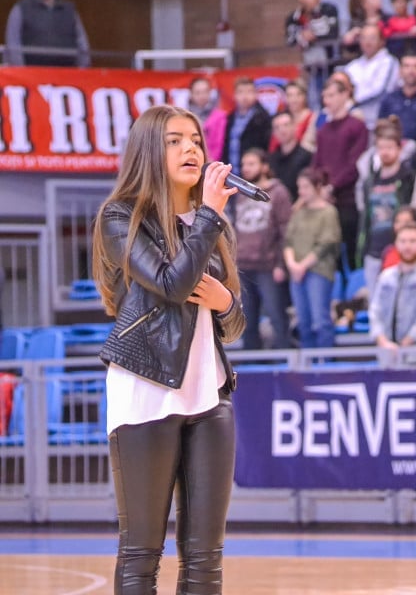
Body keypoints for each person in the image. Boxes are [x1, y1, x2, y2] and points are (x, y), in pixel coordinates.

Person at [91, 105, 244, 593]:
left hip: (209, 396)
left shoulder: (209, 225)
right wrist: (212, 216)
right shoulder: (122, 216)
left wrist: (225, 302)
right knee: (141, 555)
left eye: (196, 140)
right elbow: (171, 285)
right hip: (146, 391)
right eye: (176, 140)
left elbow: (232, 323)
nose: (191, 149)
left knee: (206, 559)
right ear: (149, 151)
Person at [234, 149, 293, 351]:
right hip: (243, 264)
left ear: (265, 166)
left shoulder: (278, 193)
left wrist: (280, 264)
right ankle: (253, 368)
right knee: (247, 320)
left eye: (251, 164)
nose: (246, 168)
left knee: (277, 316)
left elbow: (286, 231)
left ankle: (284, 363)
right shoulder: (241, 193)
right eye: (244, 164)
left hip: (268, 265)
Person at [312, 76, 369, 270]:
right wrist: (320, 188)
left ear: (345, 95)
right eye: (325, 96)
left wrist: (333, 186)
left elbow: (355, 164)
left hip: (348, 199)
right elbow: (317, 163)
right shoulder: (323, 130)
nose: (328, 100)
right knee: (329, 252)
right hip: (326, 199)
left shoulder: (356, 126)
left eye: (332, 95)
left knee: (351, 248)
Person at [284, 168, 341, 349]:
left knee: (320, 320)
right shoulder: (298, 212)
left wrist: (303, 266)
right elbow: (288, 241)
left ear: (318, 187)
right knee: (303, 321)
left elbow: (327, 243)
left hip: (319, 270)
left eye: (306, 187)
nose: (302, 192)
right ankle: (308, 364)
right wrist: (292, 264)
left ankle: (325, 364)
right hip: (296, 271)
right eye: (300, 187)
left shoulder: (329, 212)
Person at [359, 118, 415, 290]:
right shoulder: (369, 181)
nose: (385, 152)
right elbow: (365, 216)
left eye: (389, 148)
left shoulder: (408, 178)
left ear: (399, 149)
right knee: (375, 305)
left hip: (399, 248)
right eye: (381, 148)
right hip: (373, 250)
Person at [369, 223, 416, 352]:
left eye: (413, 241)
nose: (407, 246)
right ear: (395, 244)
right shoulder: (386, 276)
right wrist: (382, 340)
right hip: (387, 353)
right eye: (402, 241)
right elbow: (375, 310)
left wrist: (408, 341)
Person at [4, 0, 90, 67]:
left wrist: (83, 69)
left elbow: (81, 41)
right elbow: (13, 42)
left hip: (67, 72)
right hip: (32, 72)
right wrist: (20, 71)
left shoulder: (70, 9)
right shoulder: (21, 8)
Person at [284, 0, 340, 88]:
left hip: (329, 64)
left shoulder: (329, 10)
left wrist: (314, 36)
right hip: (306, 66)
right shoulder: (293, 18)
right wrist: (301, 37)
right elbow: (289, 40)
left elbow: (334, 34)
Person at [344, 25, 400, 132]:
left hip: (378, 120)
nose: (367, 42)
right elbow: (342, 88)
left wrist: (354, 101)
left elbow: (382, 91)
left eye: (372, 38)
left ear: (382, 41)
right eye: (364, 38)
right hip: (353, 119)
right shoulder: (352, 66)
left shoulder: (389, 61)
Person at [378, 53, 416, 144]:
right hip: (392, 148)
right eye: (407, 66)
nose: (411, 71)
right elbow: (380, 127)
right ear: (400, 71)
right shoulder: (389, 99)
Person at [221, 77, 272, 173]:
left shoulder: (263, 118)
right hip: (231, 171)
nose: (245, 96)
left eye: (249, 92)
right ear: (234, 95)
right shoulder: (229, 118)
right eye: (241, 92)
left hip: (254, 173)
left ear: (256, 94)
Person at [268, 111, 313, 202]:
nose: (282, 130)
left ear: (295, 126)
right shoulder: (271, 159)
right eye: (277, 127)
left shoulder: (307, 156)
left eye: (286, 125)